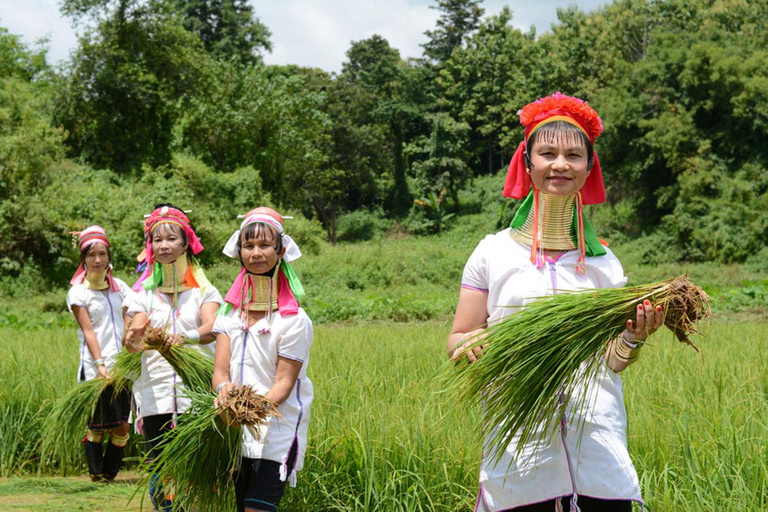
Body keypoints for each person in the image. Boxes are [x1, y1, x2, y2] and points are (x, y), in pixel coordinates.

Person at [447, 92, 664, 512]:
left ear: (588, 167)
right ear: (527, 163)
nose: (560, 164)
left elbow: (611, 360)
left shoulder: (605, 263)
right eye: (547, 153)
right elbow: (457, 337)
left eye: (573, 154)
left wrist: (633, 338)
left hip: (596, 441)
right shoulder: (493, 252)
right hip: (520, 445)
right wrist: (469, 345)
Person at [212, 207, 313, 512]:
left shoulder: (294, 320)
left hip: (276, 433)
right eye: (249, 246)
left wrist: (253, 410)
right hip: (235, 431)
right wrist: (225, 392)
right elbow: (220, 370)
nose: (256, 253)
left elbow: (284, 382)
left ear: (281, 251)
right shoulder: (229, 314)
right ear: (239, 251)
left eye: (265, 246)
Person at [124, 204, 222, 511]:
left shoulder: (204, 290)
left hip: (195, 390)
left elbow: (211, 329)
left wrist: (186, 337)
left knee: (192, 460)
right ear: (150, 247)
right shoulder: (143, 293)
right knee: (158, 461)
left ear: (186, 243)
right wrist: (134, 336)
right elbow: (133, 336)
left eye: (171, 239)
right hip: (155, 390)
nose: (164, 245)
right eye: (157, 240)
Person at [66, 225, 132, 482]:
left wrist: (128, 351)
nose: (97, 260)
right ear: (83, 259)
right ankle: (96, 474)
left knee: (122, 424)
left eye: (102, 254)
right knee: (97, 425)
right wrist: (101, 364)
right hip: (95, 367)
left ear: (108, 255)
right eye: (91, 255)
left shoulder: (122, 289)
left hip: (123, 367)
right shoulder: (78, 293)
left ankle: (109, 473)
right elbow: (89, 331)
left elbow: (129, 319)